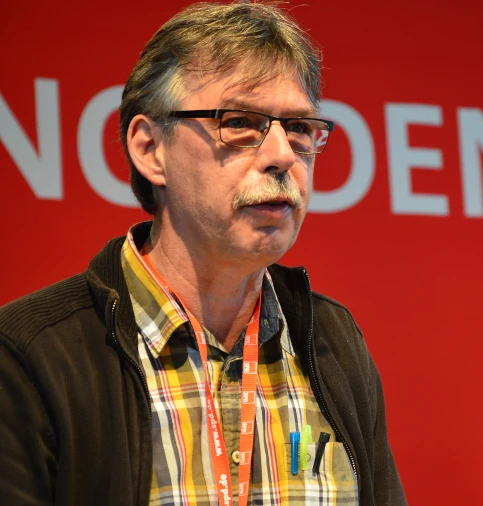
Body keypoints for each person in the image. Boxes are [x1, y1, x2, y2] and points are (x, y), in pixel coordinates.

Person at [0, 2, 406, 505]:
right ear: (151, 149)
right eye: (239, 121)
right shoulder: (32, 354)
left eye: (299, 127)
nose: (283, 155)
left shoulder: (333, 343)